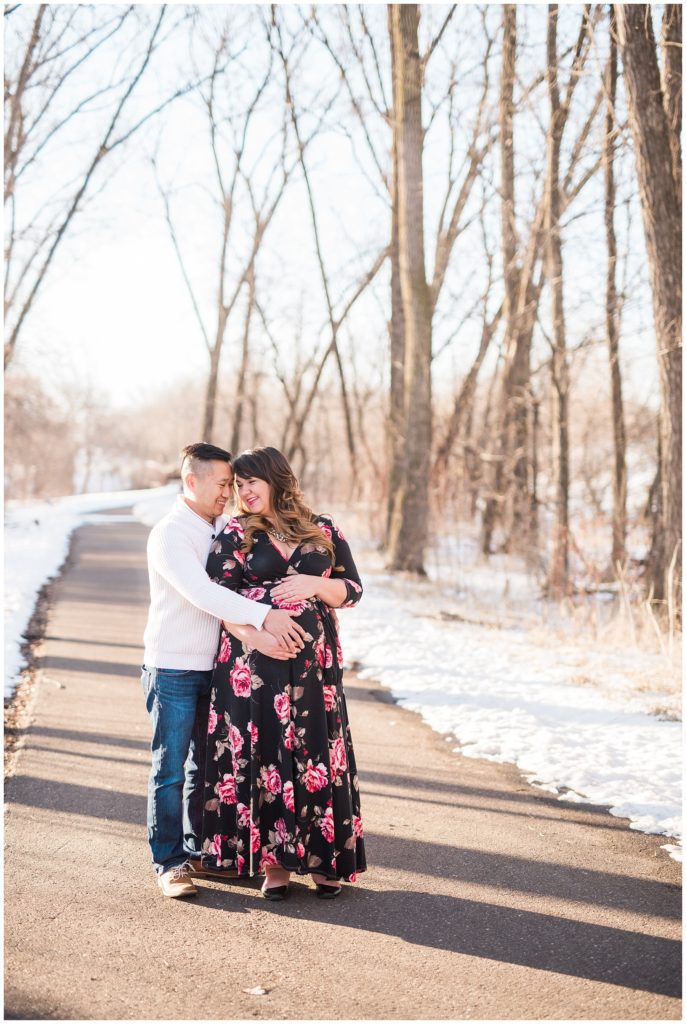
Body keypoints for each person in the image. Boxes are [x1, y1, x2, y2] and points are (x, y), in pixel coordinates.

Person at [141, 442, 307, 898]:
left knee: (207, 768)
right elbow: (204, 593)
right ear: (191, 481)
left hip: (215, 668)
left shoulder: (223, 526)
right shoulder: (171, 533)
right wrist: (265, 618)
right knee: (170, 769)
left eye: (231, 484)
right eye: (220, 484)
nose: (227, 492)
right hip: (173, 668)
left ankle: (200, 852)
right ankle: (169, 863)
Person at [200, 446, 366, 900]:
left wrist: (315, 584)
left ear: (276, 478)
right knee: (267, 752)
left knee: (315, 753)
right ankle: (275, 866)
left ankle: (324, 860)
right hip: (253, 665)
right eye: (238, 485)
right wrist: (257, 629)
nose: (244, 492)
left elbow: (353, 590)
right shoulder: (237, 533)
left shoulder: (322, 528)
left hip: (315, 670)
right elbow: (217, 598)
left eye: (251, 482)